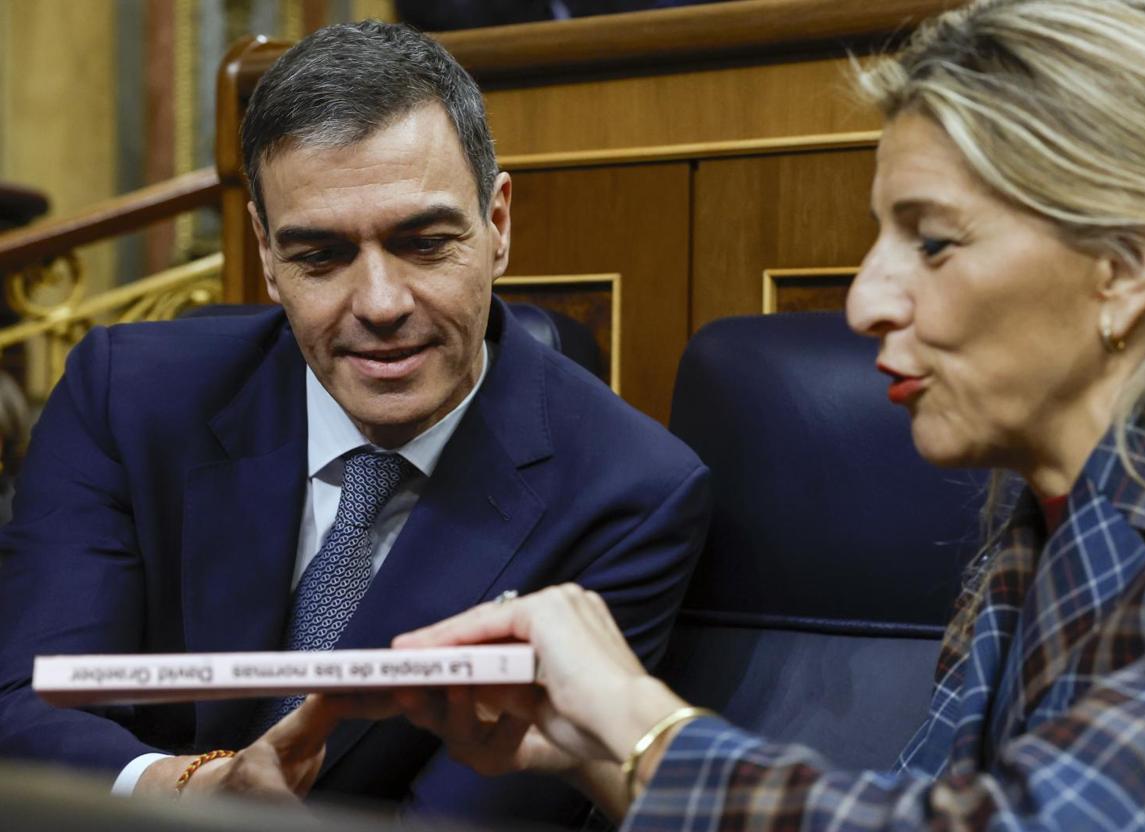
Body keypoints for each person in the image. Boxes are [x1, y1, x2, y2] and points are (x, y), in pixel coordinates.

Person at [293, 0, 1145, 828]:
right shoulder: (1031, 512)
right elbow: (934, 803)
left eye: (931, 241)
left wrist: (646, 728)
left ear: (1120, 268)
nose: (865, 301)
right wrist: (600, 757)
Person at [0, 21, 711, 826]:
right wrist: (191, 787)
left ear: (498, 224)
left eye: (424, 244)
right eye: (320, 258)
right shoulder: (126, 396)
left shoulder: (628, 493)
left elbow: (471, 820)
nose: (379, 305)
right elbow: (25, 702)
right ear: (266, 254)